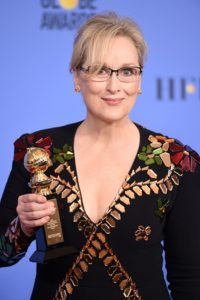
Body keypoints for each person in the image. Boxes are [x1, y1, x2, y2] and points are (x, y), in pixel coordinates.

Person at [0, 11, 200, 300]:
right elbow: (2, 257)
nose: (114, 86)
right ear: (77, 76)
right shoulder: (36, 150)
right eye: (99, 70)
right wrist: (23, 227)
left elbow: (191, 279)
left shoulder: (178, 161)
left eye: (127, 71)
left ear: (140, 80)